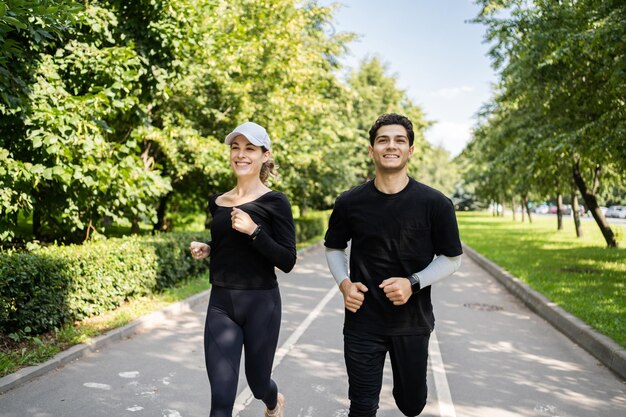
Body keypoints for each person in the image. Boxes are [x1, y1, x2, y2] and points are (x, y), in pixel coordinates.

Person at [324, 113, 463, 417]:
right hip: (363, 321)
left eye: (399, 140)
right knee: (361, 407)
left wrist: (412, 283)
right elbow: (333, 247)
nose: (391, 146)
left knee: (411, 405)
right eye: (383, 140)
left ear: (410, 150)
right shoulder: (349, 202)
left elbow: (452, 258)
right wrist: (344, 284)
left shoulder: (435, 204)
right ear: (372, 149)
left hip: (412, 323)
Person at [190, 121, 296, 417]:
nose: (240, 154)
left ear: (264, 155)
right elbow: (228, 245)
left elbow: (287, 260)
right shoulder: (218, 201)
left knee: (259, 383)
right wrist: (210, 248)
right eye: (235, 147)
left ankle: (274, 403)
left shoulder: (276, 202)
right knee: (221, 401)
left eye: (249, 148)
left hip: (262, 303)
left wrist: (255, 231)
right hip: (221, 304)